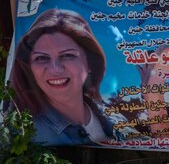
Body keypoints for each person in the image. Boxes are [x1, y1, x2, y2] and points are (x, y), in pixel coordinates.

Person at [10, 9, 116, 145]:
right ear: (31, 68)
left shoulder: (112, 116)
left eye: (67, 55)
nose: (55, 69)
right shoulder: (25, 133)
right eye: (41, 58)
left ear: (90, 63)